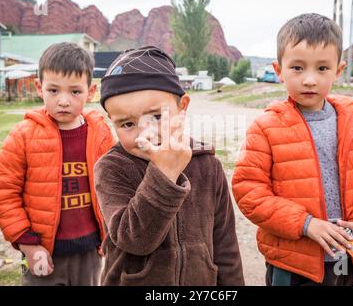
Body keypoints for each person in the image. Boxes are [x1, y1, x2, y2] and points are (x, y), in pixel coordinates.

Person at [232, 13, 353, 286]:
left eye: (322, 68)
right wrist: (306, 224)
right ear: (278, 70)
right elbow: (249, 192)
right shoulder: (266, 127)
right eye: (297, 68)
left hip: (349, 258)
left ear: (339, 70)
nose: (309, 79)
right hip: (293, 263)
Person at [94, 46, 244, 286]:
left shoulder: (208, 165)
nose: (146, 134)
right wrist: (164, 174)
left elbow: (225, 246)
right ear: (113, 122)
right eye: (128, 124)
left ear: (182, 107)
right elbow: (135, 240)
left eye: (156, 117)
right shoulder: (111, 168)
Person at [0, 42, 115, 285]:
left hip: (90, 251)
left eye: (75, 92)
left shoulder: (100, 133)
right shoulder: (23, 135)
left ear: (91, 92)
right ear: (40, 88)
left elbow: (114, 183)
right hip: (42, 251)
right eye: (54, 90)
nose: (64, 101)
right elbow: (3, 192)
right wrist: (28, 245)